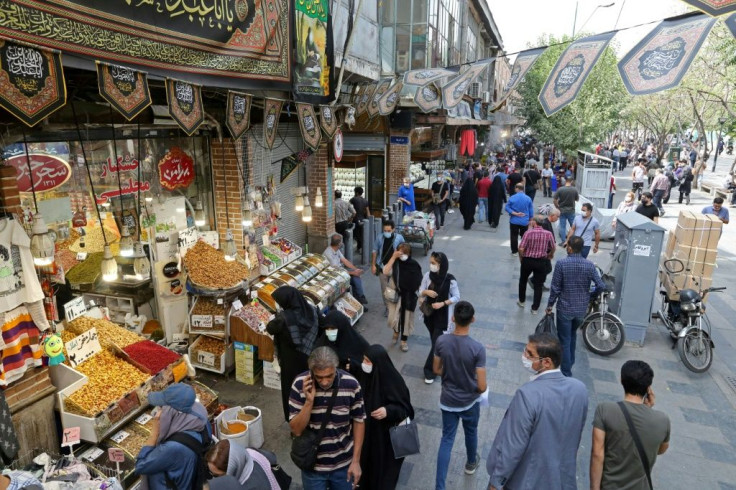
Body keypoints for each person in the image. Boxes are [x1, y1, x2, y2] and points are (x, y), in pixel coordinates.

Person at [486, 333, 589, 490]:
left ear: (546, 362)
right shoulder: (579, 389)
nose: (524, 356)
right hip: (562, 480)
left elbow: (513, 445)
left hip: (527, 481)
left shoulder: (527, 394)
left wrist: (496, 481)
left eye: (530, 354)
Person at [289, 346, 366, 490]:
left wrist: (356, 461)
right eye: (319, 377)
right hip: (313, 468)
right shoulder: (299, 384)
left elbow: (359, 421)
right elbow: (296, 430)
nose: (324, 382)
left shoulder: (351, 384)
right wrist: (309, 402)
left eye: (329, 376)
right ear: (312, 372)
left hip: (343, 466)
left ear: (336, 368)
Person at [590, 360, 670, 490]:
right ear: (648, 387)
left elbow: (597, 454)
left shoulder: (605, 410)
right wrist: (648, 409)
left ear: (622, 380)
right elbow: (660, 450)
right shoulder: (662, 420)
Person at [433, 301, 487, 490]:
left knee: (447, 439)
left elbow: (436, 369)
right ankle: (471, 463)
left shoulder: (441, 341)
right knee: (471, 431)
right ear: (473, 319)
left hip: (448, 400)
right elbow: (481, 386)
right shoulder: (477, 348)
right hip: (469, 401)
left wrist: (451, 374)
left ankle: (440, 486)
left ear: (453, 318)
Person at [546, 236, 607, 377]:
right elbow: (601, 285)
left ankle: (566, 371)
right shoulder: (590, 265)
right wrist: (590, 295)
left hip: (565, 308)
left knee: (564, 340)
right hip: (581, 309)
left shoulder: (561, 264)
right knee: (572, 336)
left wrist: (550, 305)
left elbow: (555, 288)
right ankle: (570, 362)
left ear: (570, 248)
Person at [135, 383, 212, 490]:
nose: (158, 411)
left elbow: (140, 466)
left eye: (162, 407)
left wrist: (154, 433)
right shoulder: (202, 422)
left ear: (174, 412)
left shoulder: (173, 447)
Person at [359, 345, 414, 490]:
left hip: (386, 438)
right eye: (363, 360)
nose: (364, 364)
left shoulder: (393, 381)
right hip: (367, 434)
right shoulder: (364, 378)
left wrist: (387, 411)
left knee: (383, 472)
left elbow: (406, 409)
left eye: (368, 361)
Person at [266, 286, 321, 421]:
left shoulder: (284, 318)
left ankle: (295, 419)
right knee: (309, 386)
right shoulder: (311, 310)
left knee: (293, 390)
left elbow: (270, 328)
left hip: (291, 361)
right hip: (309, 357)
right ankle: (313, 415)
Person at [420, 252, 460, 384]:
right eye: (430, 263)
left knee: (437, 342)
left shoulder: (450, 280)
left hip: (443, 317)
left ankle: (430, 371)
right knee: (434, 341)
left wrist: (443, 303)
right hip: (429, 315)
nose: (431, 265)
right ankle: (439, 360)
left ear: (441, 265)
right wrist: (426, 292)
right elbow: (420, 290)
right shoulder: (427, 276)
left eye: (434, 263)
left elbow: (456, 297)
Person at [382, 243, 423, 352]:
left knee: (406, 318)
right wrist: (393, 257)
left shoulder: (414, 264)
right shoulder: (395, 263)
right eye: (401, 252)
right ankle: (396, 331)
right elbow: (385, 271)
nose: (403, 255)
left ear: (409, 253)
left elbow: (419, 279)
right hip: (396, 295)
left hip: (409, 296)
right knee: (394, 317)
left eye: (405, 253)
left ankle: (404, 340)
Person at [518, 216, 556, 314]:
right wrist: (550, 255)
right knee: (538, 285)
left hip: (528, 260)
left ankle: (522, 301)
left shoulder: (528, 233)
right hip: (541, 261)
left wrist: (521, 258)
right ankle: (534, 308)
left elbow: (521, 248)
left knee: (523, 280)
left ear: (534, 223)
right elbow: (553, 246)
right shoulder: (548, 234)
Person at [206, 440, 281, 490]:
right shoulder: (249, 452)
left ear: (233, 469)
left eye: (217, 475)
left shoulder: (248, 486)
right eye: (211, 473)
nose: (215, 479)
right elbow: (272, 457)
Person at [315, 310, 369, 378]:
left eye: (333, 328)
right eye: (327, 329)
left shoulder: (359, 343)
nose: (329, 331)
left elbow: (368, 367)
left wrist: (354, 365)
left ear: (342, 327)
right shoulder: (322, 344)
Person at [371, 220, 405, 316]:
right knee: (384, 289)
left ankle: (397, 306)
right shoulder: (379, 237)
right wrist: (373, 265)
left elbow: (405, 249)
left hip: (395, 267)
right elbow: (374, 251)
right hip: (382, 267)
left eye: (389, 230)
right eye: (385, 230)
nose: (387, 232)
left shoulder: (399, 238)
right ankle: (388, 308)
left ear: (393, 229)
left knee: (396, 288)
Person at [323, 233, 368, 305]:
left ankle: (360, 299)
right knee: (354, 279)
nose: (342, 243)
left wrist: (356, 269)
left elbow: (345, 261)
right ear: (338, 244)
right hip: (334, 275)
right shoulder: (328, 253)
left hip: (340, 272)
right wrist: (353, 273)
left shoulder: (336, 249)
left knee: (356, 277)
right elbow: (337, 270)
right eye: (341, 242)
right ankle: (360, 298)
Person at [505, 183, 534, 256]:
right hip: (525, 220)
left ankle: (514, 251)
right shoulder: (528, 198)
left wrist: (514, 213)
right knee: (524, 236)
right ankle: (523, 249)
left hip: (514, 220)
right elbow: (531, 210)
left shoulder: (512, 197)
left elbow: (507, 207)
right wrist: (531, 219)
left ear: (517, 188)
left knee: (514, 235)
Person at [553, 178, 579, 245]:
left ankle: (563, 241)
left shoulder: (560, 189)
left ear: (565, 181)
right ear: (572, 181)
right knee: (573, 226)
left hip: (562, 210)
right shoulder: (574, 189)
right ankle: (574, 241)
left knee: (562, 227)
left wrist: (557, 207)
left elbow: (554, 200)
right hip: (571, 210)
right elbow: (577, 199)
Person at [350, 187, 371, 253]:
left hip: (355, 219)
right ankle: (360, 248)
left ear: (356, 192)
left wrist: (350, 218)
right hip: (363, 219)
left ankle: (359, 247)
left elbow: (349, 208)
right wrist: (368, 220)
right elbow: (368, 212)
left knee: (356, 235)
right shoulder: (365, 200)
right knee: (361, 234)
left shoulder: (353, 199)